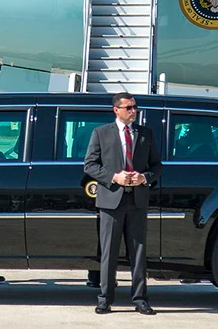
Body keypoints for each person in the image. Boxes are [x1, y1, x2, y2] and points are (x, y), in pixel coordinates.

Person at [84, 92, 162, 315]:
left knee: (138, 252)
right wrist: (113, 177)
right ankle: (105, 299)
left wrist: (144, 177)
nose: (133, 111)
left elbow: (157, 166)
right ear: (116, 110)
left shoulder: (146, 134)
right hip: (111, 200)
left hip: (137, 200)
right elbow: (89, 165)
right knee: (109, 252)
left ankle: (140, 299)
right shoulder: (101, 133)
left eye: (134, 107)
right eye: (129, 108)